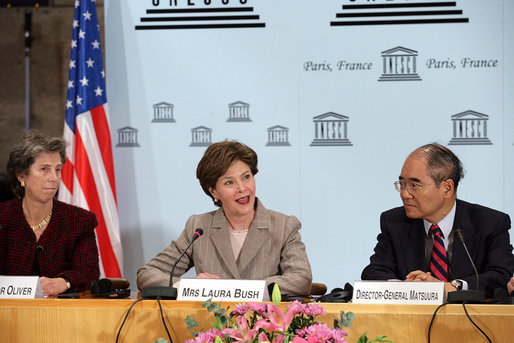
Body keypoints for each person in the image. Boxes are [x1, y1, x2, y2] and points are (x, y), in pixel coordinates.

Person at [137, 140, 312, 296]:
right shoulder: (199, 227)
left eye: (246, 177)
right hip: (210, 326)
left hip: (264, 326)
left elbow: (301, 278)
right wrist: (187, 287)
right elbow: (148, 273)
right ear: (213, 191)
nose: (242, 188)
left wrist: (242, 291)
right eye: (229, 182)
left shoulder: (283, 226)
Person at [361, 143, 514, 298]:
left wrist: (452, 287)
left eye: (415, 185)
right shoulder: (394, 222)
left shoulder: (490, 223)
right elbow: (373, 272)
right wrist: (405, 288)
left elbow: (500, 276)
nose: (405, 194)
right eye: (402, 184)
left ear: (447, 188)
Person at [0, 130, 100, 296]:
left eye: (58, 170)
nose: (54, 177)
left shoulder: (79, 220)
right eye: (44, 169)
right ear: (21, 175)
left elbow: (90, 272)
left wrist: (65, 281)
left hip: (60, 315)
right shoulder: (3, 217)